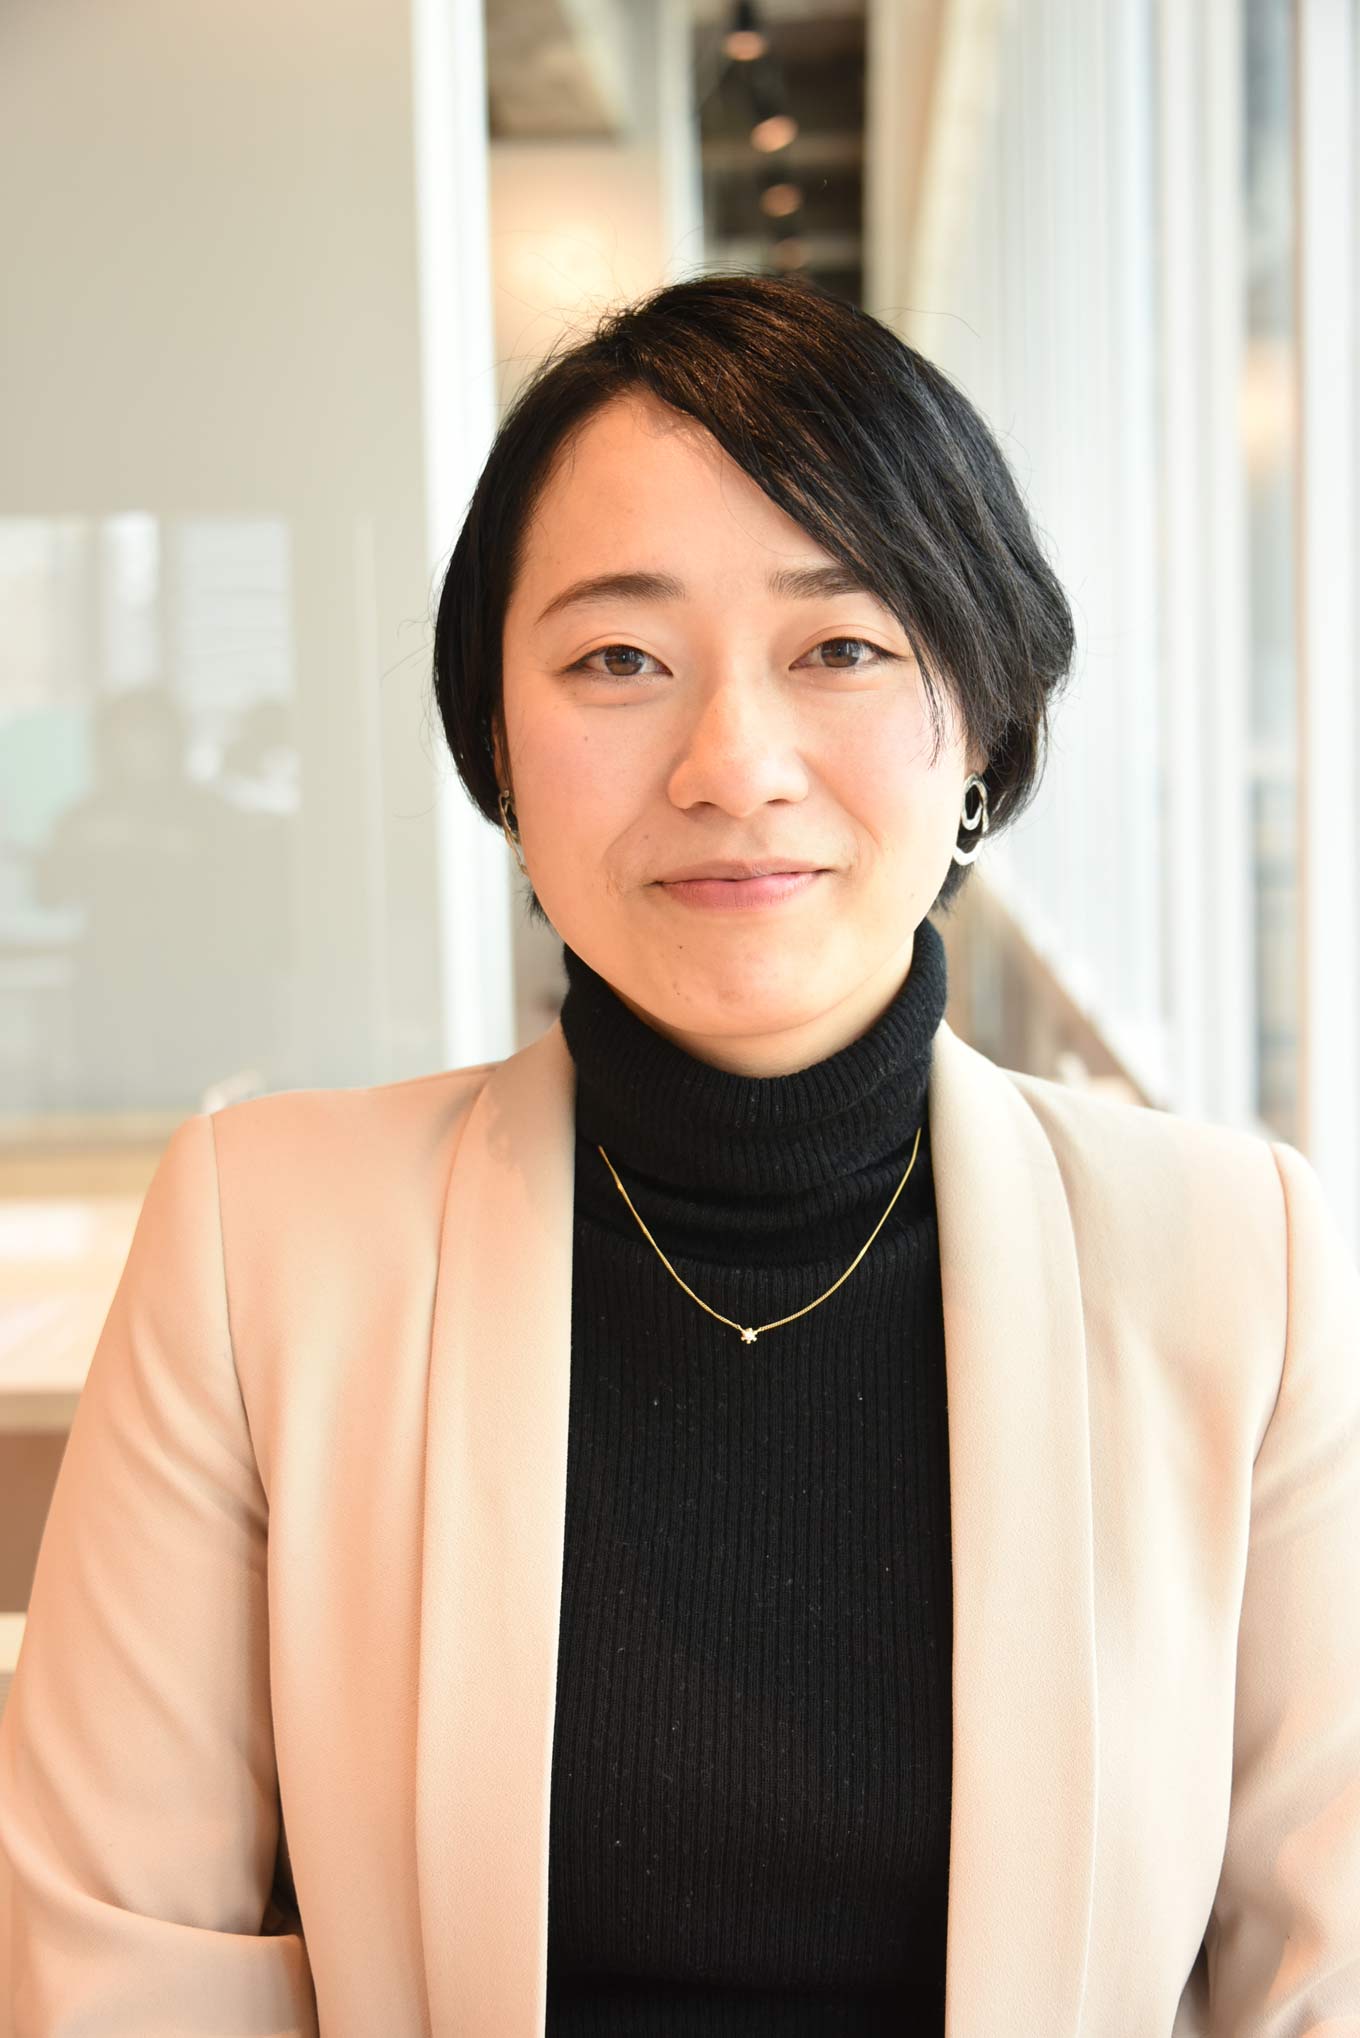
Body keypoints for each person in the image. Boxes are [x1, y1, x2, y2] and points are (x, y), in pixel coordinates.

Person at [2, 273, 1357, 2037]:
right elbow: (121, 1962)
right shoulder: (270, 1247)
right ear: (498, 742)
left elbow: (1318, 1972)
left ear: (987, 724)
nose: (736, 762)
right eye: (618, 658)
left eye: (844, 647)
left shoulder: (1234, 1259)